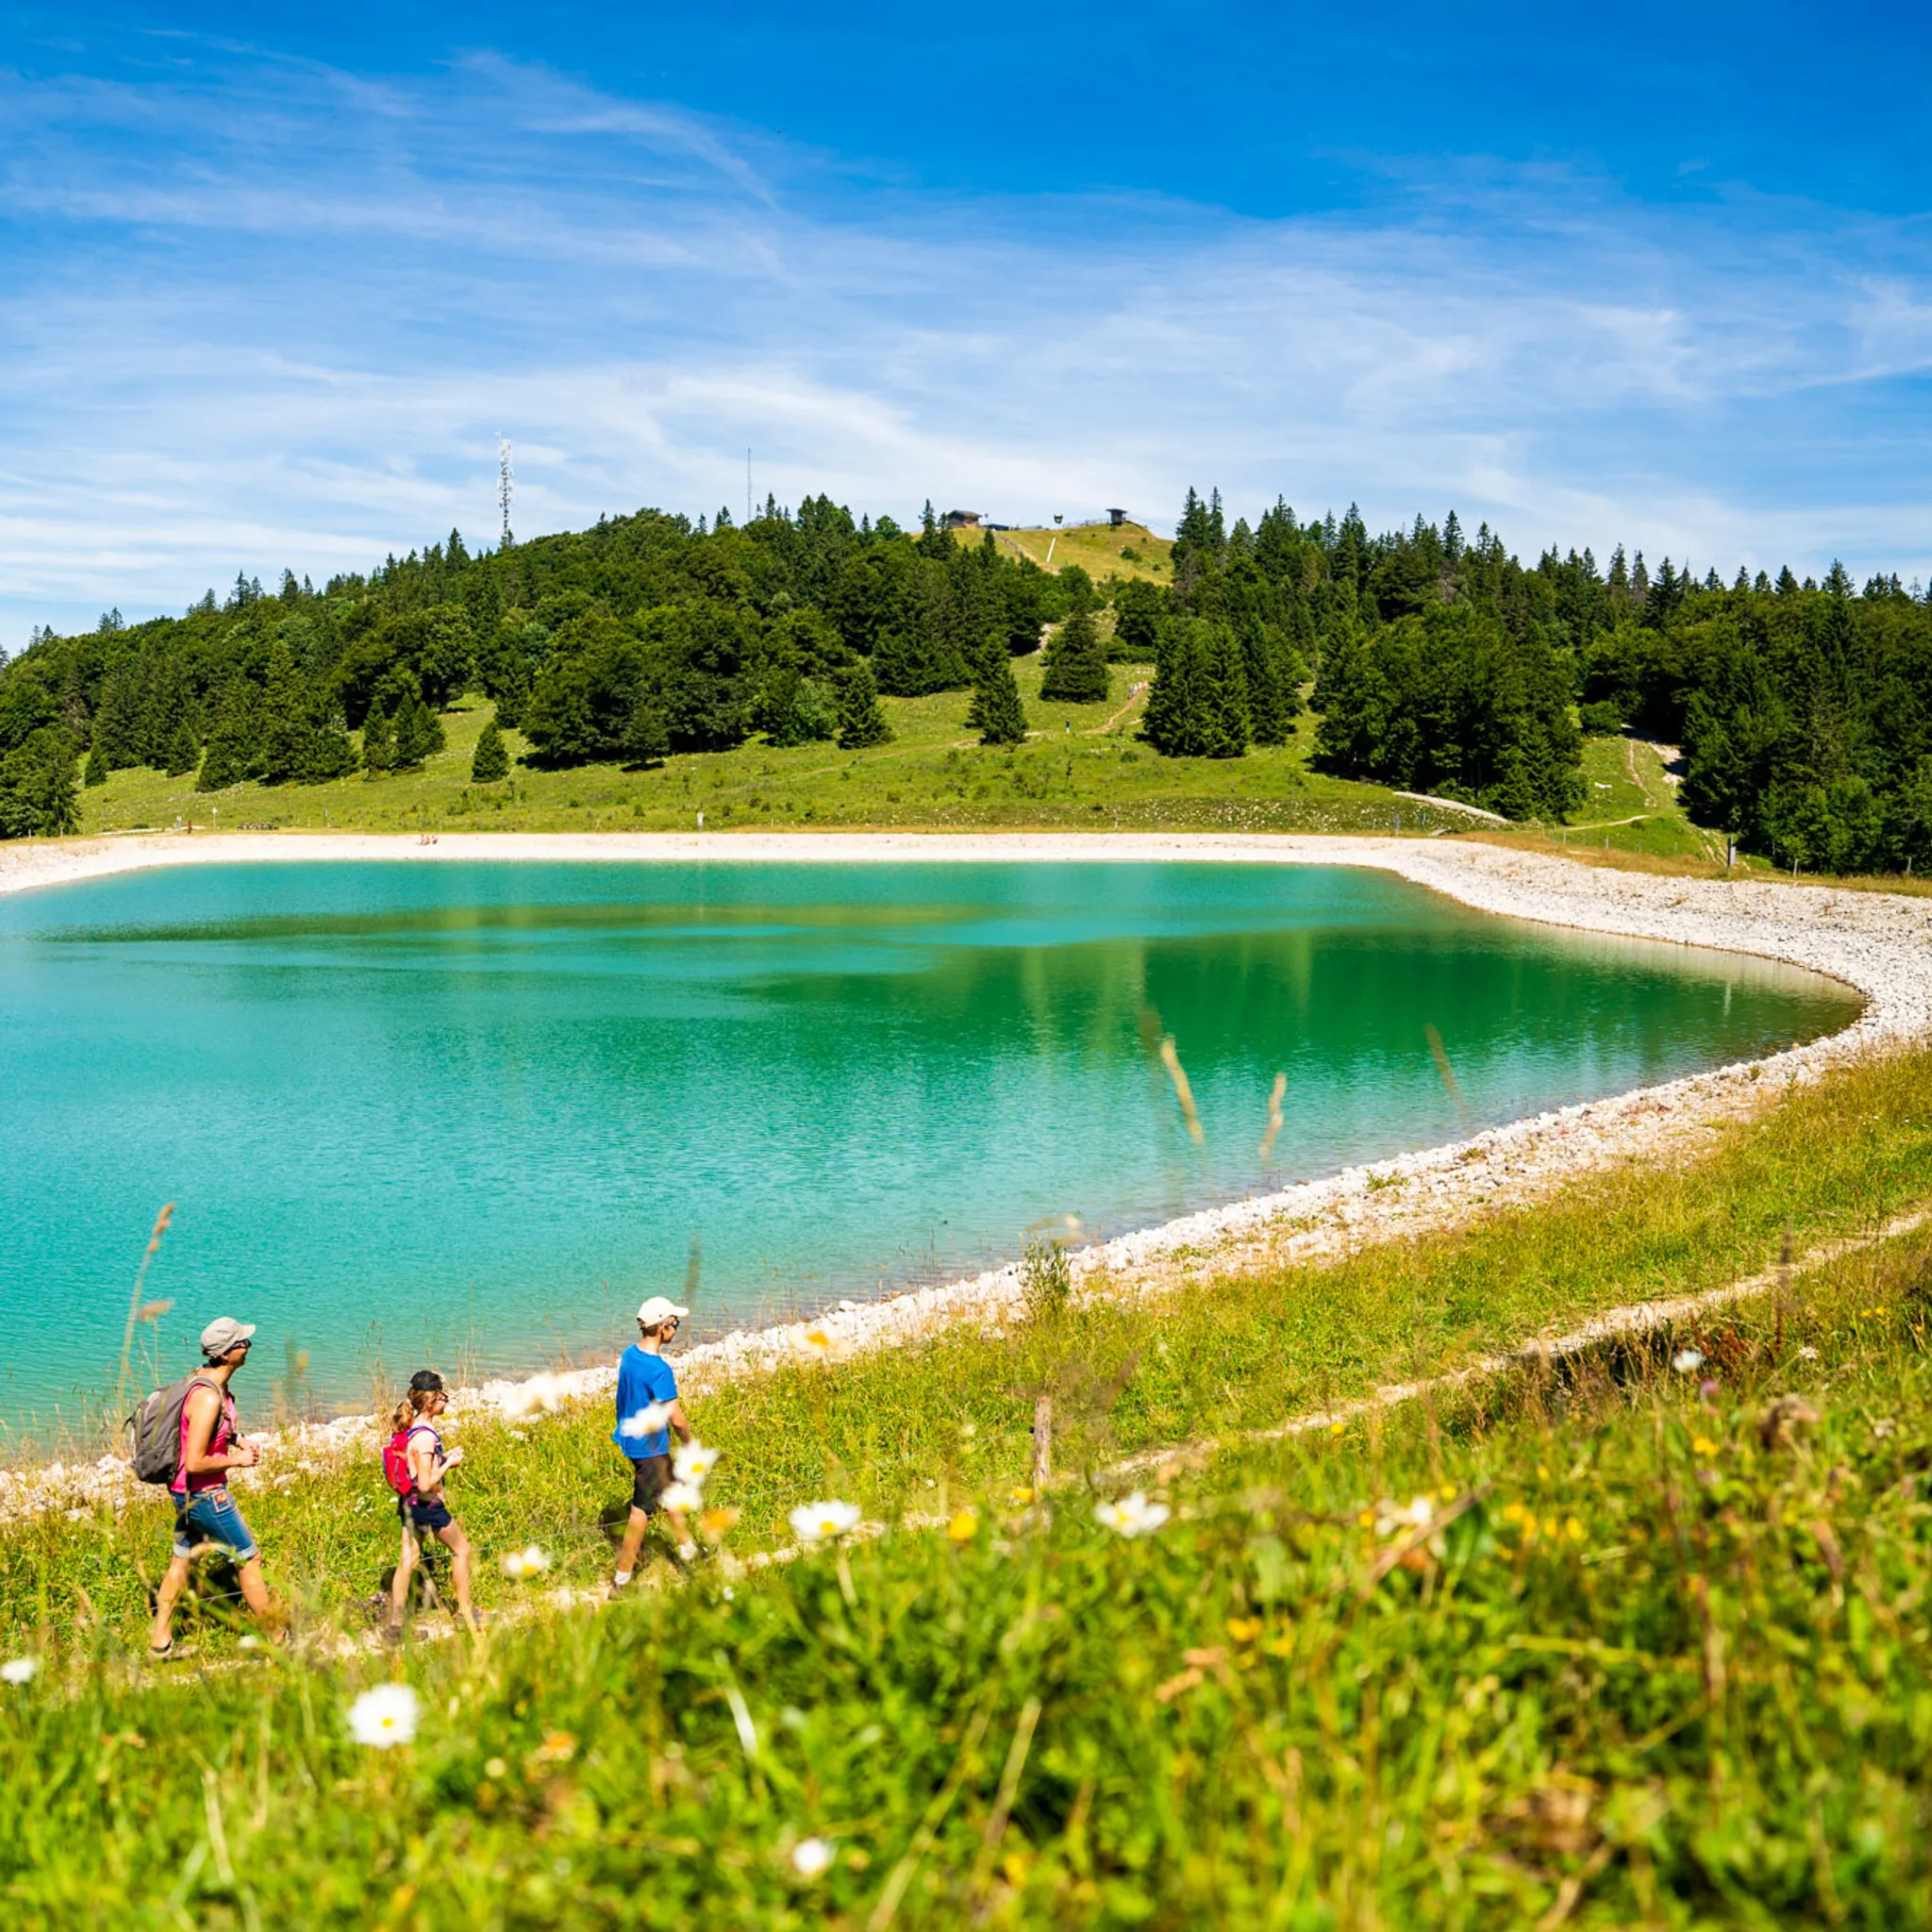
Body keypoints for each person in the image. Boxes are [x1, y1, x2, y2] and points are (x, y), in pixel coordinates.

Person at [148, 1316, 275, 1658]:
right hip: (206, 1495)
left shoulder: (202, 1381)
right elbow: (195, 1460)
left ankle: (160, 1643)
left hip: (184, 1492)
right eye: (242, 1343)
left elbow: (207, 1431)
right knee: (249, 1560)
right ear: (225, 1353)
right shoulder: (208, 1397)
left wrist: (237, 1441)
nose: (248, 1346)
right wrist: (238, 1461)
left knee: (180, 1563)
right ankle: (278, 1639)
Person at [611, 1294, 696, 1588]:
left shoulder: (630, 1355)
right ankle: (621, 1581)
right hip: (651, 1448)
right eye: (676, 1324)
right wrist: (689, 1443)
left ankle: (690, 1553)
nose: (677, 1328)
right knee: (640, 1511)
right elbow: (677, 1419)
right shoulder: (659, 1370)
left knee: (670, 1493)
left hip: (633, 1440)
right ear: (663, 1328)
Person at [388, 1369, 479, 1637]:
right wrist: (450, 1463)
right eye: (443, 1395)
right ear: (431, 1400)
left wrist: (442, 1458)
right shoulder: (426, 1436)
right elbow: (425, 1483)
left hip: (409, 1503)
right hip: (428, 1505)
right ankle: (464, 1612)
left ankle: (395, 1627)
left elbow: (415, 1470)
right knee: (462, 1549)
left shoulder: (411, 1428)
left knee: (408, 1558)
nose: (446, 1400)